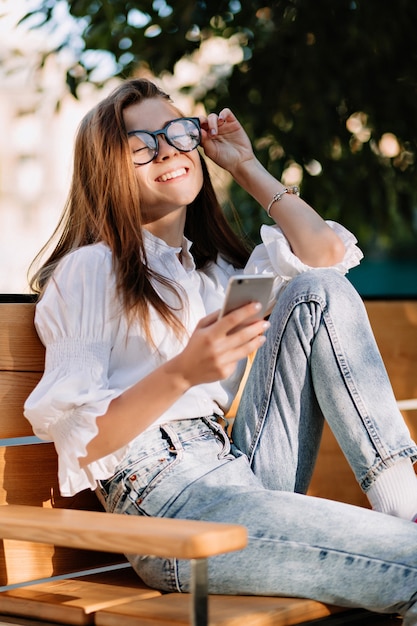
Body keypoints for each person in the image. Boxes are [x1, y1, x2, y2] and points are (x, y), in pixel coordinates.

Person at [24, 78, 417, 623]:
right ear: (107, 170)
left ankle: (407, 504)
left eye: (177, 132)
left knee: (316, 290)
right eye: (141, 144)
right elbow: (80, 441)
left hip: (241, 471)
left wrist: (247, 167)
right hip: (170, 510)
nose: (166, 149)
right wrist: (183, 372)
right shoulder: (90, 271)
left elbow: (326, 257)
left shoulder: (214, 272)